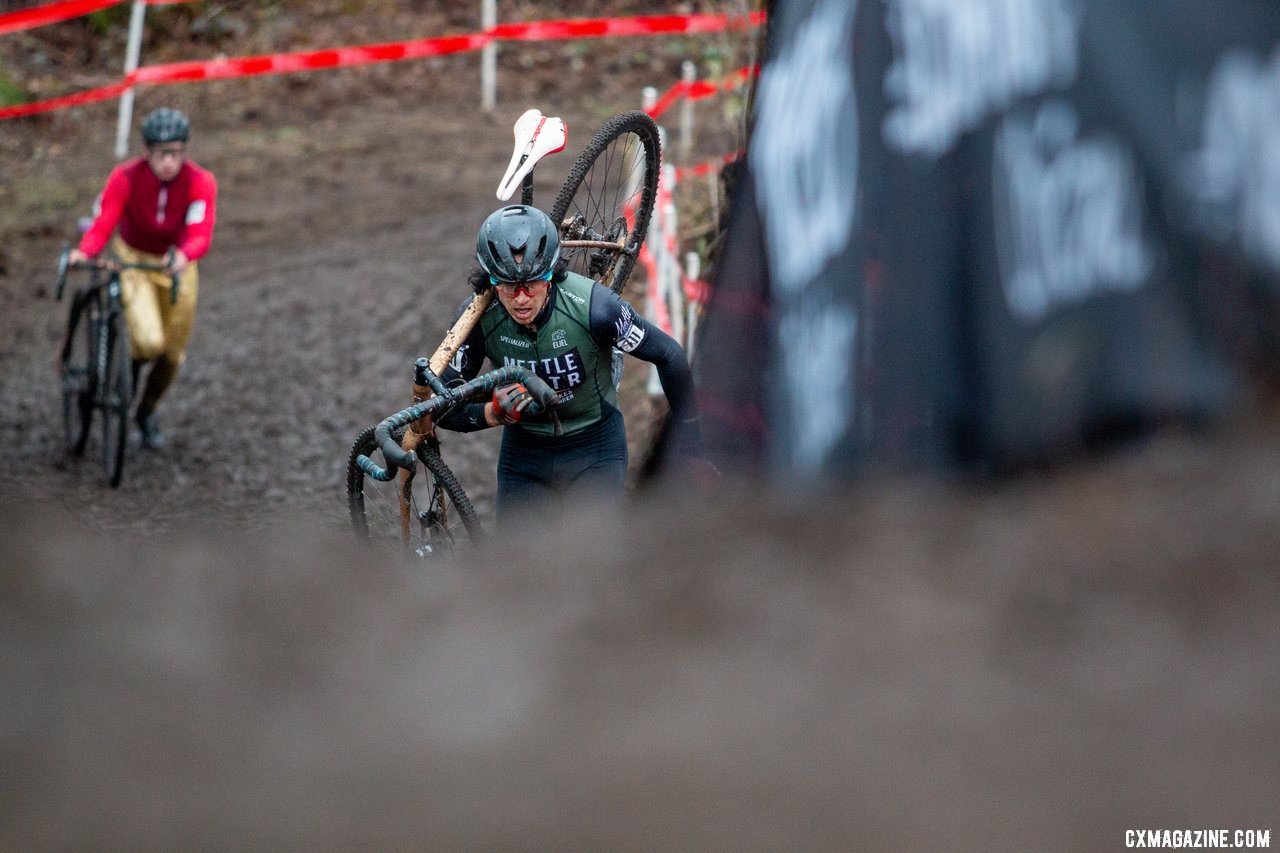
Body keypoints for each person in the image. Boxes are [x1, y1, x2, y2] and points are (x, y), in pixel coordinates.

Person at [436, 204, 705, 519]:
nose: (521, 298)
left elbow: (669, 354)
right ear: (491, 281)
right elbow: (441, 406)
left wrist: (692, 443)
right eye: (508, 285)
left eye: (532, 282)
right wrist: (490, 413)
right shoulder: (477, 318)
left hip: (595, 448)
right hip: (525, 454)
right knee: (520, 563)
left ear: (550, 274)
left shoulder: (595, 309)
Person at [68, 106, 218, 450]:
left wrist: (183, 255)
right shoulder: (125, 178)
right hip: (133, 260)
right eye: (161, 154)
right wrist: (86, 251)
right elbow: (105, 220)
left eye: (176, 153)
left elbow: (200, 232)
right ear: (146, 151)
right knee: (149, 341)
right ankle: (126, 378)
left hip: (177, 265)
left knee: (172, 355)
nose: (169, 162)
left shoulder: (200, 181)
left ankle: (146, 410)